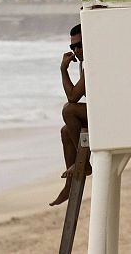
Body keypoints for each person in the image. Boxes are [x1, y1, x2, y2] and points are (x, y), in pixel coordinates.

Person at [50, 23, 89, 206]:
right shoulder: (85, 64)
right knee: (65, 131)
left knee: (68, 110)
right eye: (73, 47)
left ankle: (84, 161)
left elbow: (72, 97)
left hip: (109, 117)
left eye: (80, 45)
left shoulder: (94, 63)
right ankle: (69, 184)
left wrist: (63, 70)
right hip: (99, 115)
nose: (76, 50)